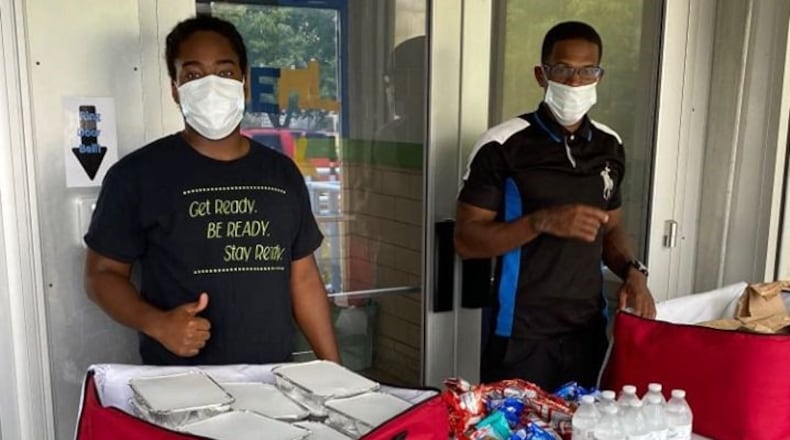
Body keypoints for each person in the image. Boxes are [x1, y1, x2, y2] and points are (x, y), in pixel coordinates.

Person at [83, 15, 340, 366]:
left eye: (225, 72)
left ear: (244, 83)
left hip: (275, 384)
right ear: (175, 89)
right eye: (192, 75)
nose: (211, 85)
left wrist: (335, 370)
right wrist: (156, 324)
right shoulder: (137, 175)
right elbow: (101, 275)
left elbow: (305, 279)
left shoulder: (281, 174)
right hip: (179, 391)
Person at [454, 21, 656, 390]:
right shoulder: (502, 145)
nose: (575, 81)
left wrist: (634, 273)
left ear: (599, 76)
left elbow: (610, 228)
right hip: (521, 334)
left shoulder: (610, 147)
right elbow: (466, 240)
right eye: (563, 69)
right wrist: (540, 222)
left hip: (588, 329)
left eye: (587, 71)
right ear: (542, 74)